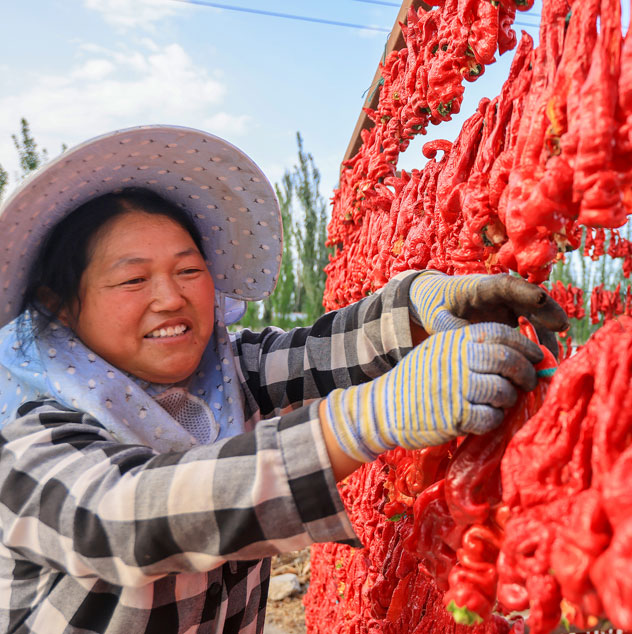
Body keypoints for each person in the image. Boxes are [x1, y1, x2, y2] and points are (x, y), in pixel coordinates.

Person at [0, 125, 568, 633]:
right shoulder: (26, 439)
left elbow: (319, 352)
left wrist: (420, 305)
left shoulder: (225, 374)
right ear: (59, 305)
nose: (170, 297)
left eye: (189, 269)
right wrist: (363, 419)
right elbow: (124, 517)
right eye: (132, 280)